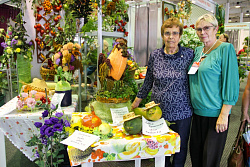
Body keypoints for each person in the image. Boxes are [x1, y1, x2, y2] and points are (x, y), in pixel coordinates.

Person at [131, 17, 194, 167]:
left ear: (180, 35)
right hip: (158, 112)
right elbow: (148, 81)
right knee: (160, 147)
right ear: (162, 35)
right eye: (167, 33)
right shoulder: (155, 55)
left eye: (174, 33)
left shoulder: (189, 55)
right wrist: (136, 102)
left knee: (180, 147)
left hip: (182, 111)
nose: (171, 37)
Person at [188, 14, 239, 167]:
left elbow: (231, 82)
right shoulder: (198, 51)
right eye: (199, 29)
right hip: (197, 114)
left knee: (209, 160)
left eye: (206, 28)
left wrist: (224, 114)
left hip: (216, 115)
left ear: (215, 28)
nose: (202, 32)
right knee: (196, 157)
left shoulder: (225, 49)